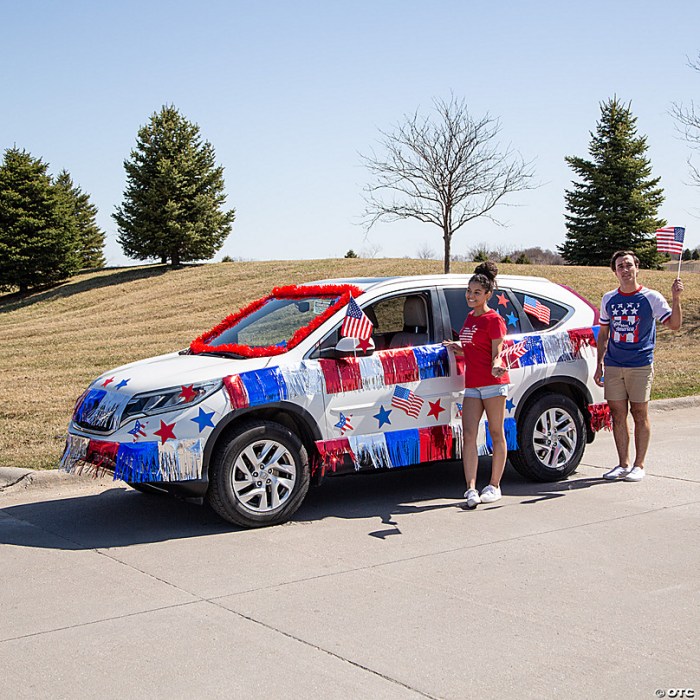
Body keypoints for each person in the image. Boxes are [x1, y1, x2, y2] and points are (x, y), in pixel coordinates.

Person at [594, 250, 683, 482]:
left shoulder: (651, 298)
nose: (625, 270)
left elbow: (674, 324)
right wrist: (599, 363)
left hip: (640, 364)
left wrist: (676, 299)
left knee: (639, 413)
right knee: (617, 413)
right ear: (615, 272)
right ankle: (622, 464)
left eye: (628, 265)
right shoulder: (608, 299)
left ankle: (639, 464)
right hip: (614, 364)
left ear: (637, 268)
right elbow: (603, 333)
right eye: (620, 267)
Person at [444, 261, 509, 508]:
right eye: (469, 292)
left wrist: (496, 363)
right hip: (472, 384)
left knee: (495, 432)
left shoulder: (494, 319)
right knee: (469, 434)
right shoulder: (470, 318)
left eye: (477, 293)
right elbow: (472, 346)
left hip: (493, 383)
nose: (471, 296)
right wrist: (455, 346)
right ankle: (470, 488)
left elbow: (497, 350)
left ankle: (494, 485)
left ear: (488, 295)